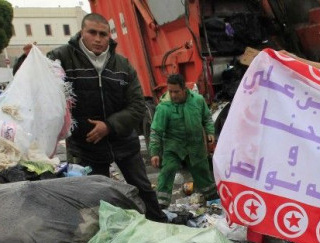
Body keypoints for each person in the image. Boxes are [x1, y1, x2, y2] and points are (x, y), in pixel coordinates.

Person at [47, 13, 166, 222]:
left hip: (123, 142)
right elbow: (41, 87)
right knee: (95, 198)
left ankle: (161, 227)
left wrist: (109, 126)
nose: (98, 39)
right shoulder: (62, 58)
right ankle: (105, 242)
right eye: (92, 32)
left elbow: (137, 105)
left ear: (109, 37)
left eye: (103, 34)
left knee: (143, 189)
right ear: (81, 32)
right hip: (87, 146)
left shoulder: (122, 65)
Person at [149, 74, 216, 207]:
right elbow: (156, 131)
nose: (173, 95)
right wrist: (155, 152)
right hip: (174, 147)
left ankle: (213, 200)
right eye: (170, 91)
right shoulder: (164, 108)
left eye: (176, 91)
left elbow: (207, 118)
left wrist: (210, 132)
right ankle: (161, 205)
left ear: (184, 89)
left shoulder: (197, 100)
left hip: (195, 145)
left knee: (202, 172)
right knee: (167, 171)